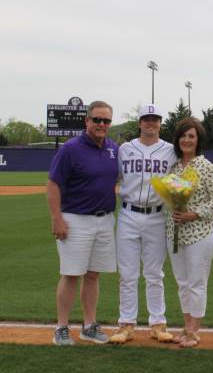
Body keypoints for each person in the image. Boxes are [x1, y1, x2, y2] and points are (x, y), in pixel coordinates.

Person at [47, 100, 118, 346]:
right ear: (87, 121)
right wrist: (57, 219)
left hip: (105, 219)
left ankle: (89, 325)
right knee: (70, 274)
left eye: (106, 120)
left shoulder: (113, 148)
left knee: (93, 275)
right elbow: (54, 184)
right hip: (75, 219)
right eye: (96, 119)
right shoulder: (70, 148)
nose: (101, 124)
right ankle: (62, 327)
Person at [109, 104, 177, 345]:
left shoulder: (171, 150)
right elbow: (111, 176)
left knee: (154, 273)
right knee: (127, 273)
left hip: (157, 216)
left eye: (155, 119)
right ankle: (126, 324)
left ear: (160, 123)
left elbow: (189, 169)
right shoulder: (124, 149)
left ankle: (158, 323)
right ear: (139, 123)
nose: (150, 123)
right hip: (128, 214)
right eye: (146, 119)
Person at [166, 117, 213, 348]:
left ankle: (194, 331)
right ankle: (187, 325)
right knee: (182, 282)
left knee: (196, 282)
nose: (187, 140)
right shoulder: (174, 167)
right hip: (175, 233)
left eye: (191, 136)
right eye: (183, 135)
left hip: (200, 233)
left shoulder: (207, 167)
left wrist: (194, 214)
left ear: (198, 140)